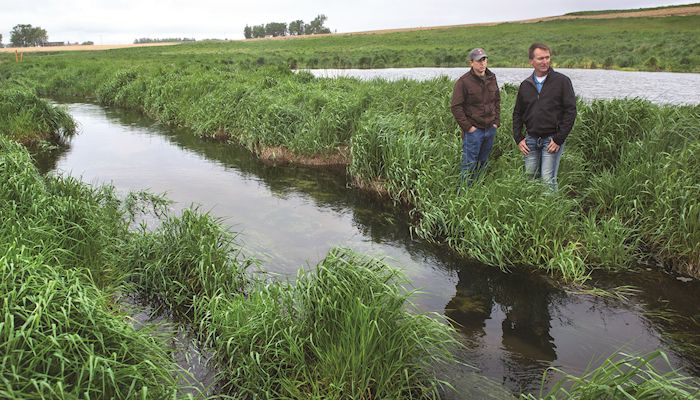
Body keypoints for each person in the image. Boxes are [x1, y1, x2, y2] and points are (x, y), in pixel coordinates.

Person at [512, 43, 577, 191]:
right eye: (540, 58)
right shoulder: (525, 85)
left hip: (552, 139)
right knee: (530, 179)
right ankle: (533, 212)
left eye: (547, 57)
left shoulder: (562, 81)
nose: (545, 61)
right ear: (531, 61)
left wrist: (559, 139)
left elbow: (571, 111)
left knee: (548, 180)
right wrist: (518, 137)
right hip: (530, 140)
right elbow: (517, 113)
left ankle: (552, 212)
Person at [451, 47, 500, 188]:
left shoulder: (492, 78)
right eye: (478, 61)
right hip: (474, 131)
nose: (482, 63)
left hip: (490, 128)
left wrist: (496, 122)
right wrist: (469, 128)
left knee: (483, 162)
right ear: (471, 63)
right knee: (469, 164)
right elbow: (456, 107)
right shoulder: (463, 82)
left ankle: (477, 191)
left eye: (484, 59)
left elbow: (497, 100)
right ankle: (463, 195)